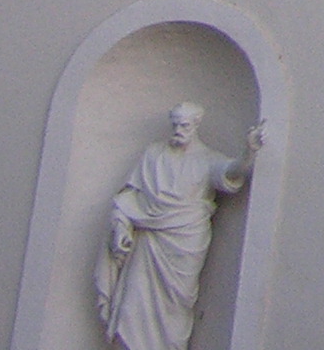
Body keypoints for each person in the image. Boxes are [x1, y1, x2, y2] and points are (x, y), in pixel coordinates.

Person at [95, 102, 265, 350]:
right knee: (131, 306)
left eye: (184, 125)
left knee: (174, 310)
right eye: (175, 124)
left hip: (184, 244)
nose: (178, 130)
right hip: (149, 240)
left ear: (195, 125)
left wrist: (248, 152)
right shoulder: (154, 154)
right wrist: (121, 226)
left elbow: (231, 172)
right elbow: (130, 196)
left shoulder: (207, 160)